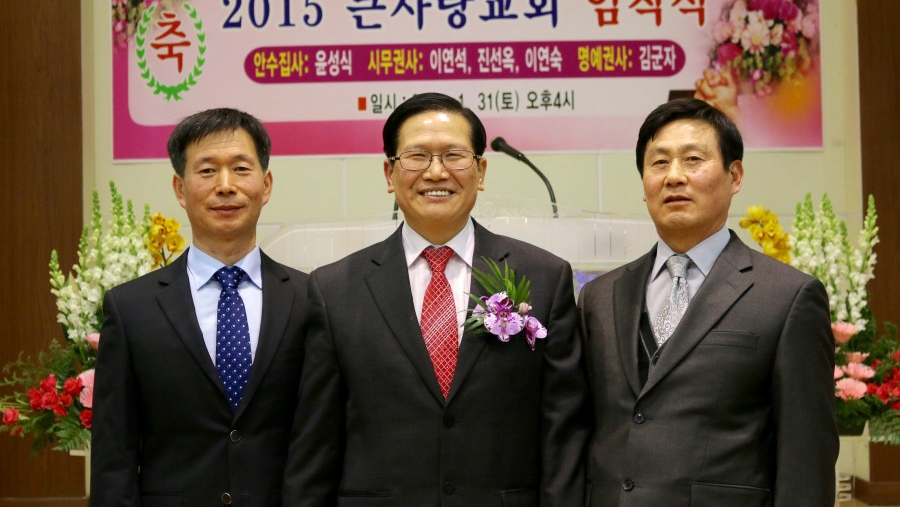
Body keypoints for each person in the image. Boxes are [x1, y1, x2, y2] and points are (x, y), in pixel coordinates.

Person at [285, 92, 589, 506]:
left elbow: (563, 435)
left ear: (480, 171)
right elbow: (316, 447)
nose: (435, 172)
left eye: (453, 155)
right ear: (389, 174)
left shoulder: (544, 278)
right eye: (417, 156)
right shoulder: (334, 289)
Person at [578, 97, 837, 506]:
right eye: (659, 163)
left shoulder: (787, 297)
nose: (674, 176)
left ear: (734, 176)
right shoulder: (599, 296)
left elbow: (807, 459)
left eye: (693, 160)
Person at [91, 108, 309, 506]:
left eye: (241, 169)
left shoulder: (309, 298)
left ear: (266, 185)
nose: (225, 186)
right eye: (207, 171)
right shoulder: (130, 309)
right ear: (180, 188)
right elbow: (113, 457)